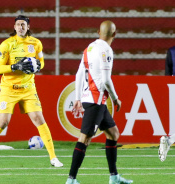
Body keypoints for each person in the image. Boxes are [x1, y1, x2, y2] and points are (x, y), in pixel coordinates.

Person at [0, 15, 63, 168]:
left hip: (28, 89)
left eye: (23, 25)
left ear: (28, 27)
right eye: (18, 24)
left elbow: (42, 62)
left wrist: (37, 65)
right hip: (9, 89)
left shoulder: (36, 43)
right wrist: (15, 66)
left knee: (39, 119)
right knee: (3, 122)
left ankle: (53, 158)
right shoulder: (6, 45)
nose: (20, 27)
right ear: (14, 27)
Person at [65, 20, 133, 184]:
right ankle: (71, 179)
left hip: (94, 100)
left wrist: (78, 98)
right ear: (114, 34)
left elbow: (79, 74)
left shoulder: (89, 48)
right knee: (84, 139)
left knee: (113, 133)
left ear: (98, 32)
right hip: (95, 101)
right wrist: (115, 98)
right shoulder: (106, 50)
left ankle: (114, 177)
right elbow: (106, 80)